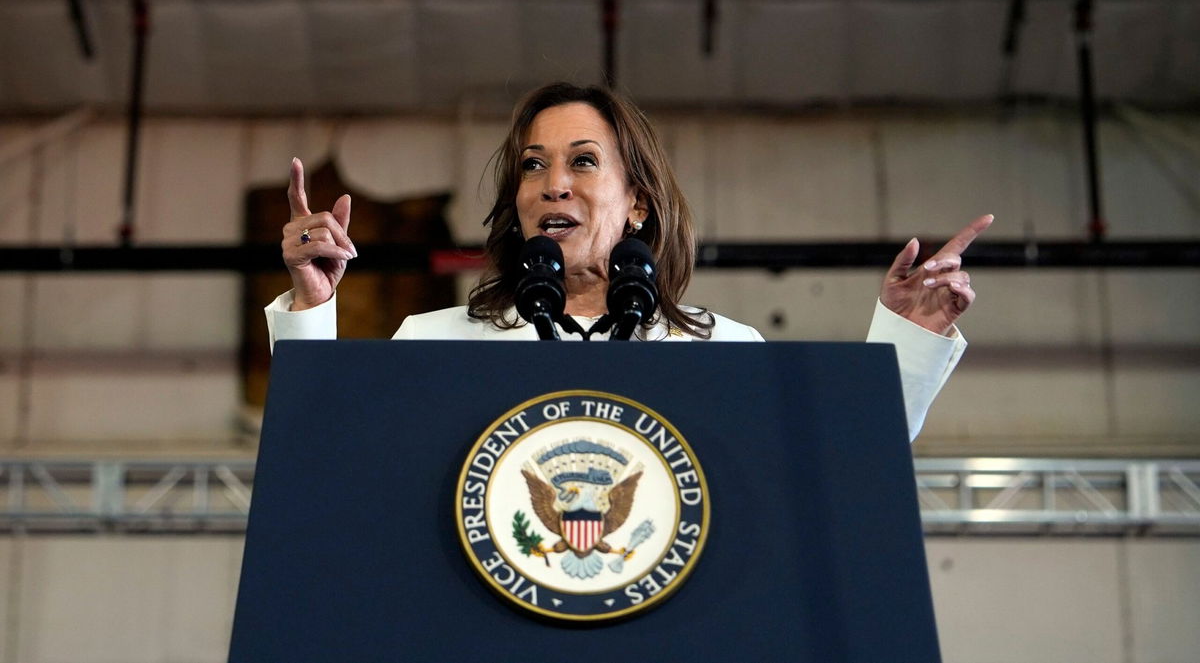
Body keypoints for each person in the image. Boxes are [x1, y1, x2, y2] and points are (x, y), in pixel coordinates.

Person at [266, 82, 992, 440]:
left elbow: (833, 471)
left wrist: (909, 336)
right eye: (532, 166)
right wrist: (311, 307)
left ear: (638, 203)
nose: (554, 183)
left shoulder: (724, 351)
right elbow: (326, 461)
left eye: (584, 161)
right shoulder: (431, 343)